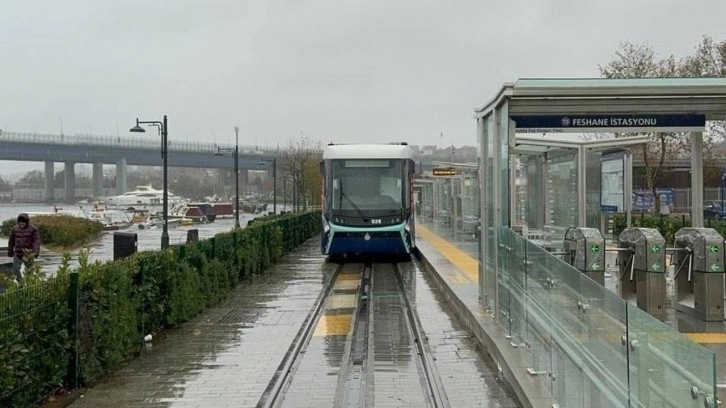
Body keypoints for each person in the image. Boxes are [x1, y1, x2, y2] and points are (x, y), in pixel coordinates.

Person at [7, 213, 41, 280]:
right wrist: (10, 251)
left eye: (23, 222)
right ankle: (21, 285)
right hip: (18, 253)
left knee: (29, 272)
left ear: (27, 222)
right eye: (20, 222)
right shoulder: (15, 229)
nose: (21, 223)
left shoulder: (34, 229)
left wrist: (36, 252)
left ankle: (29, 287)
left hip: (28, 254)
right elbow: (11, 241)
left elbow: (37, 241)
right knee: (15, 270)